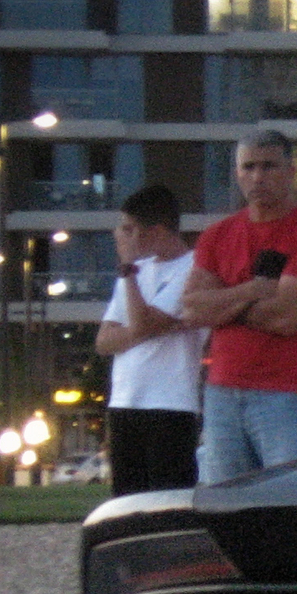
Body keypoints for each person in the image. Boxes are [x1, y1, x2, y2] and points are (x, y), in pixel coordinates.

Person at [183, 128, 297, 482]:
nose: (257, 177)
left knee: (290, 502)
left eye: (268, 167)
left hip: (288, 395)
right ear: (237, 173)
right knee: (226, 507)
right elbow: (192, 311)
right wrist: (252, 290)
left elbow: (286, 317)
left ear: (290, 172)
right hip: (221, 392)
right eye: (248, 167)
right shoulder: (217, 235)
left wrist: (221, 302)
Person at [94, 182, 203, 494]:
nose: (122, 237)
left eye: (129, 229)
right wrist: (149, 329)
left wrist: (127, 270)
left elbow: (142, 323)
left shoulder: (192, 268)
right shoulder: (136, 272)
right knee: (127, 501)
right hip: (126, 400)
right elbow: (104, 340)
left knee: (166, 500)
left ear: (154, 231)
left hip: (169, 404)